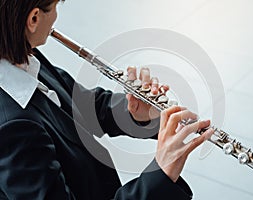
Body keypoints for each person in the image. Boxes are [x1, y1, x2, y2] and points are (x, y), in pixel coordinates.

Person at [0, 0, 214, 199]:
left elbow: (82, 103)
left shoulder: (18, 55)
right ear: (34, 19)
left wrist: (135, 114)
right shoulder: (12, 130)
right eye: (55, 6)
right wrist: (161, 172)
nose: (56, 17)